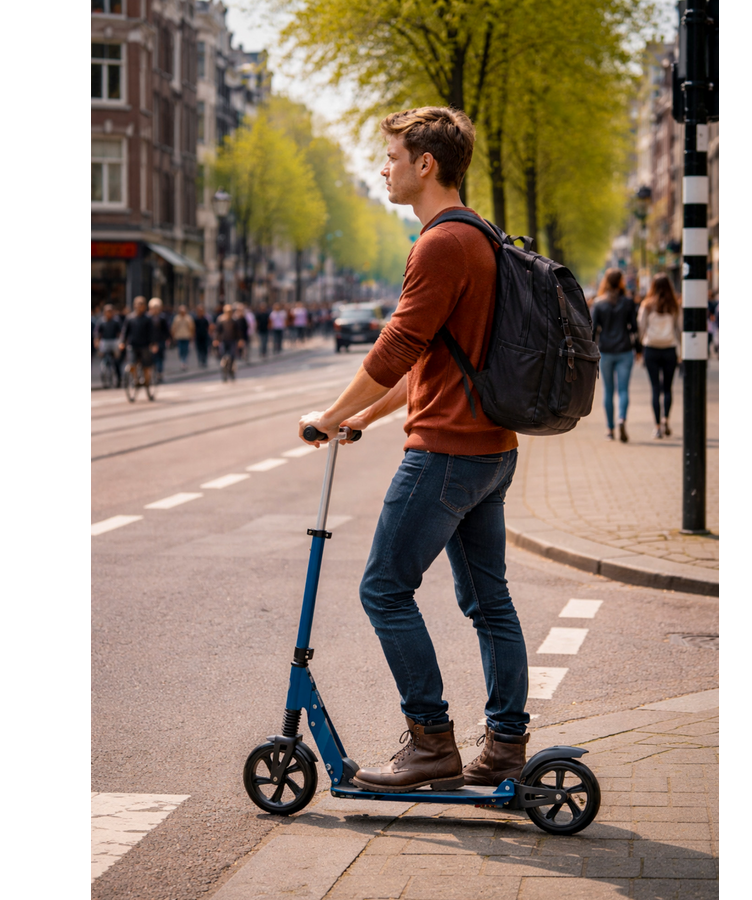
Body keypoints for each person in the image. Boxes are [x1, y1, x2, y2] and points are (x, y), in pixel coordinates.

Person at [298, 106, 529, 794]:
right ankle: (506, 746)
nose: (384, 169)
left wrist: (328, 414)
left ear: (426, 164)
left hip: (447, 453)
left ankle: (430, 741)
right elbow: (436, 358)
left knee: (384, 589)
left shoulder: (440, 244)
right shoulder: (481, 235)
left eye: (393, 157)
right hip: (489, 448)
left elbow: (398, 345)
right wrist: (362, 419)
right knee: (488, 601)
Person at [591, 269, 638, 442]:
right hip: (625, 350)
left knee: (608, 391)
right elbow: (634, 328)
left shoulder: (599, 303)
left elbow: (593, 329)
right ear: (621, 282)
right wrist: (639, 349)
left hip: (605, 351)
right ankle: (622, 419)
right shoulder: (628, 302)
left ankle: (610, 429)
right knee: (623, 390)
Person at [637, 274, 682, 439]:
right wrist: (681, 351)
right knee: (668, 388)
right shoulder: (674, 305)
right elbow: (679, 328)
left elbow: (641, 327)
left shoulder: (647, 305)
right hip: (670, 349)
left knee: (655, 388)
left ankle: (657, 427)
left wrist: (641, 343)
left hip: (652, 349)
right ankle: (666, 420)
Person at [119, 296, 157, 387]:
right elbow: (125, 331)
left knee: (146, 365)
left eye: (141, 305)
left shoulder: (148, 318)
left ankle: (147, 381)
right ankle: (135, 380)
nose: (139, 307)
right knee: (132, 364)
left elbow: (152, 332)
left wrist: (153, 344)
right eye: (137, 305)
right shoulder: (130, 318)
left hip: (145, 345)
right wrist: (122, 342)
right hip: (132, 345)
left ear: (144, 306)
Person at [94, 304, 123, 388]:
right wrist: (96, 342)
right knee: (103, 357)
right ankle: (105, 372)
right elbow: (97, 333)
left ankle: (118, 378)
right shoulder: (101, 321)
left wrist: (120, 342)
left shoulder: (116, 321)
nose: (109, 313)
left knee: (116, 360)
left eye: (110, 311)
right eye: (107, 312)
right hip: (105, 341)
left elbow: (120, 332)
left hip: (114, 341)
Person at [213, 303, 244, 379]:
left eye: (230, 311)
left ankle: (231, 370)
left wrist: (240, 340)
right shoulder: (221, 320)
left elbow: (238, 331)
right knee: (224, 356)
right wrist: (216, 340)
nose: (229, 313)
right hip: (223, 341)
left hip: (232, 341)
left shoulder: (234, 320)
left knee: (232, 356)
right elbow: (217, 331)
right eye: (227, 311)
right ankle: (224, 371)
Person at [148, 298, 170, 383]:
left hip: (160, 341)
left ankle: (159, 373)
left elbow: (166, 330)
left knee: (159, 358)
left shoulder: (162, 318)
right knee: (151, 358)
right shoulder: (148, 318)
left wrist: (167, 339)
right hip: (150, 341)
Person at [170, 304, 195, 371]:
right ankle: (182, 361)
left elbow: (191, 327)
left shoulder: (188, 318)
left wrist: (192, 335)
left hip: (186, 336)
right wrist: (173, 335)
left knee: (186, 350)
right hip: (179, 336)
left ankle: (184, 361)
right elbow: (174, 327)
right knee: (180, 350)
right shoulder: (177, 318)